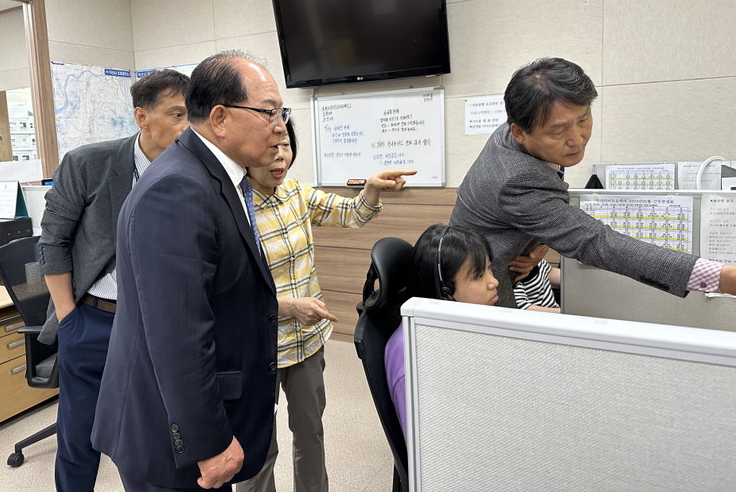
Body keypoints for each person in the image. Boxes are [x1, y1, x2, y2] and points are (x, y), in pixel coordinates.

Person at [91, 51, 286, 491]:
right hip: (171, 441)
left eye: (281, 113)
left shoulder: (213, 175)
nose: (279, 126)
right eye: (268, 112)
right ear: (220, 118)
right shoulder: (178, 188)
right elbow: (177, 334)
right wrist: (209, 443)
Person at [450, 57, 736, 308]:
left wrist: (537, 244)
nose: (577, 139)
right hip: (484, 286)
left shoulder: (523, 131)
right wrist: (720, 277)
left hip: (515, 261)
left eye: (583, 119)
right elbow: (596, 242)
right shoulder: (516, 179)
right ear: (520, 132)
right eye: (558, 131)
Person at [237, 119, 415, 492]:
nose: (279, 156)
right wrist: (287, 306)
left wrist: (371, 189)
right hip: (256, 346)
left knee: (310, 435)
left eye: (285, 145)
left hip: (305, 341)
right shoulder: (233, 206)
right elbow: (229, 292)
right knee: (259, 447)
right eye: (270, 147)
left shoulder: (297, 193)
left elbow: (352, 213)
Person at [37, 68, 189, 492]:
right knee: (78, 437)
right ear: (142, 117)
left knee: (153, 439)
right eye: (176, 114)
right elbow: (52, 241)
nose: (187, 126)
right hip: (94, 320)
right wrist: (68, 317)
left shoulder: (194, 171)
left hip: (162, 325)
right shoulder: (89, 163)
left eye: (191, 114)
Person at [384, 224, 499, 439]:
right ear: (445, 291)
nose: (493, 282)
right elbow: (425, 445)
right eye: (479, 275)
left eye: (489, 269)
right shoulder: (412, 357)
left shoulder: (458, 326)